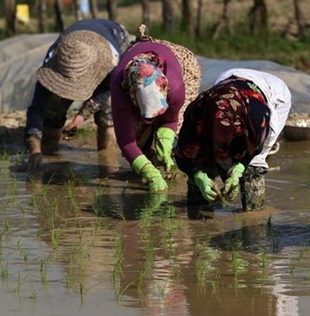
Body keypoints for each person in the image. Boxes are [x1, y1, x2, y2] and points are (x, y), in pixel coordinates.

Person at [175, 68, 292, 211]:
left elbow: (256, 146)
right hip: (227, 82)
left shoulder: (258, 116)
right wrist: (199, 176)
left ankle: (253, 213)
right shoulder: (197, 112)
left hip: (273, 93)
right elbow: (182, 151)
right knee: (201, 155)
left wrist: (239, 168)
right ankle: (197, 208)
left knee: (253, 166)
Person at [25, 19, 131, 171]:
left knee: (107, 115)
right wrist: (34, 150)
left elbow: (108, 89)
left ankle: (107, 162)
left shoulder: (111, 61)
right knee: (52, 111)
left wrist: (82, 115)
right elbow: (36, 110)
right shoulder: (54, 62)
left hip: (114, 37)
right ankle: (50, 156)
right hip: (77, 43)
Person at [111, 26, 202, 193]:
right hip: (138, 68)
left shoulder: (175, 87)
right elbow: (125, 141)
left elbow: (171, 119)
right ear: (132, 97)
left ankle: (169, 163)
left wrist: (165, 143)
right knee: (137, 140)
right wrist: (148, 171)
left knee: (179, 130)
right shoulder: (119, 87)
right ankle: (151, 167)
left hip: (181, 63)